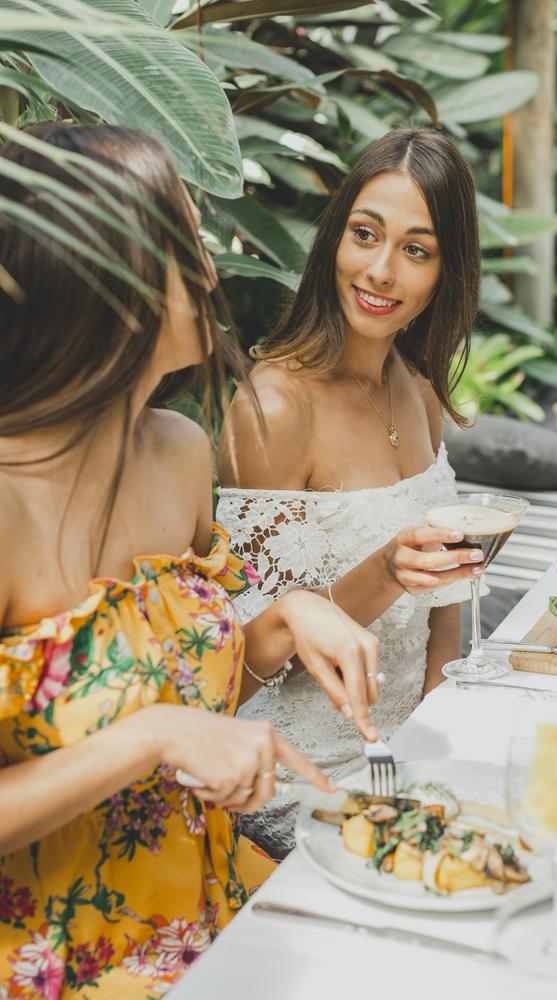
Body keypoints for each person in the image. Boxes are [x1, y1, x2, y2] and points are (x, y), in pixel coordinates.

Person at [0, 123, 381, 997]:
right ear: (96, 280)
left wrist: (281, 623)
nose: (210, 275)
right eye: (186, 248)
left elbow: (189, 696)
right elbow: (150, 726)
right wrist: (152, 738)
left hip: (219, 927)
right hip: (59, 966)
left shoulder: (178, 452)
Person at [217, 125, 485, 856]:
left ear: (446, 271)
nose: (381, 271)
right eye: (365, 234)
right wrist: (384, 572)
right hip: (305, 778)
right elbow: (239, 669)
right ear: (335, 238)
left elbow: (446, 609)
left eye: (416, 250)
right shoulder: (273, 410)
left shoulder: (419, 390)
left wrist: (439, 739)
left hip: (415, 754)